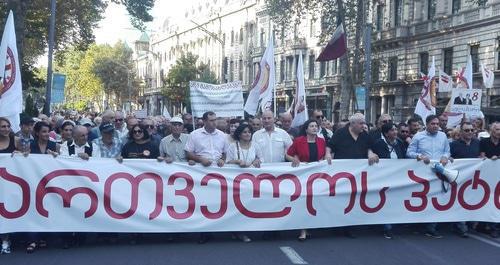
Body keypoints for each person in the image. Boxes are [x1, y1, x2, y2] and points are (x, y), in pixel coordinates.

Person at [326, 113, 379, 238]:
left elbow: (369, 147)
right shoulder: (340, 133)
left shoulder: (365, 135)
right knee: (340, 199)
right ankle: (337, 225)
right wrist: (327, 154)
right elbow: (330, 146)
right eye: (361, 123)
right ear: (353, 123)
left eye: (364, 123)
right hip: (341, 174)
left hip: (358, 174)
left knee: (353, 199)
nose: (363, 126)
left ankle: (350, 226)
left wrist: (370, 153)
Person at [185, 111, 229, 244]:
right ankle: (205, 231)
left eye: (215, 120)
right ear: (204, 121)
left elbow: (225, 153)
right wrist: (200, 159)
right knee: (203, 202)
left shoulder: (222, 136)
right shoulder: (195, 135)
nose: (214, 122)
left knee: (218, 202)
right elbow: (188, 152)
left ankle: (220, 228)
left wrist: (222, 159)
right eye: (211, 120)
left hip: (219, 173)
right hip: (201, 172)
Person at [407, 114, 450, 239]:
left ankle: (432, 227)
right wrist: (420, 156)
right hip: (422, 174)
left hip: (438, 173)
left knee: (436, 199)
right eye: (433, 124)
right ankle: (418, 224)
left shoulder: (443, 136)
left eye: (437, 124)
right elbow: (409, 152)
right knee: (422, 200)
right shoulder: (418, 136)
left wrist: (445, 157)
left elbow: (447, 151)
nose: (436, 126)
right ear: (427, 124)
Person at [286, 119, 327, 241]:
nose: (314, 128)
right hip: (303, 176)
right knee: (303, 202)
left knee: (315, 201)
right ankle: (302, 230)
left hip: (317, 176)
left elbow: (324, 156)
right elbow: (287, 154)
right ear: (306, 129)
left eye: (316, 126)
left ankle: (312, 226)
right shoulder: (299, 141)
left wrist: (325, 160)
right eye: (311, 126)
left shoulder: (321, 141)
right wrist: (293, 160)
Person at [371, 122, 406, 239]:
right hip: (383, 179)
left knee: (394, 201)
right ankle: (387, 227)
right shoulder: (378, 144)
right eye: (392, 130)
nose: (395, 132)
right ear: (386, 133)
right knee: (385, 202)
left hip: (397, 179)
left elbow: (404, 158)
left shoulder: (399, 144)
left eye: (396, 129)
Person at [479, 121, 500, 238]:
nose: (499, 132)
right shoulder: (484, 141)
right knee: (486, 200)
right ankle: (482, 225)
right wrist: (489, 160)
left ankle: (494, 227)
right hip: (486, 177)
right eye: (497, 130)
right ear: (491, 131)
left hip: (498, 177)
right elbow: (481, 156)